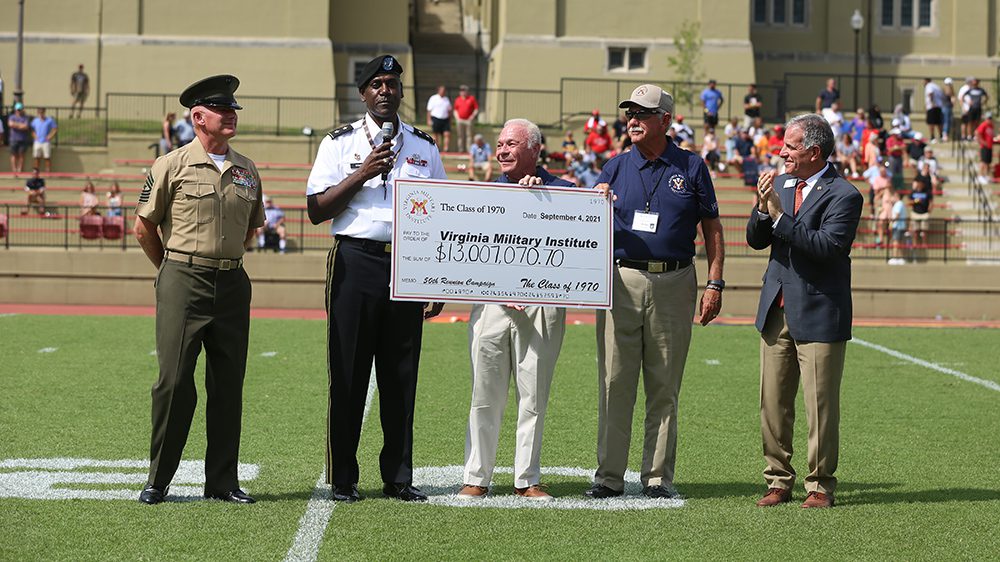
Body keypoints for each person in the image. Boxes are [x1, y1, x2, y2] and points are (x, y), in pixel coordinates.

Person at [306, 55, 446, 504]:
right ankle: (342, 477)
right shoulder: (339, 143)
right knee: (347, 372)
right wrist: (362, 172)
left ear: (402, 92)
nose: (386, 90)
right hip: (355, 261)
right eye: (377, 84)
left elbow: (442, 214)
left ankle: (399, 477)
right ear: (363, 93)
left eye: (393, 83)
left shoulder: (424, 146)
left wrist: (435, 279)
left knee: (401, 375)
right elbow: (316, 210)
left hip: (408, 265)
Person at [586, 84, 725, 500]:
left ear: (665, 120)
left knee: (664, 384)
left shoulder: (692, 166)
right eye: (630, 112)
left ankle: (656, 477)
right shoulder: (612, 167)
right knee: (614, 382)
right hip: (621, 280)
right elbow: (586, 228)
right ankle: (609, 477)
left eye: (643, 113)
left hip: (674, 280)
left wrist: (715, 281)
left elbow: (712, 229)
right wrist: (594, 204)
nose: (633, 120)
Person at [133, 74, 264, 506]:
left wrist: (222, 262)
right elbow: (144, 228)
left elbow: (250, 230)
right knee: (173, 384)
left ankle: (222, 482)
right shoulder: (170, 164)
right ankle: (158, 479)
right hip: (182, 279)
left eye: (233, 109)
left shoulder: (247, 169)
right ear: (198, 117)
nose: (231, 115)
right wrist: (172, 270)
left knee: (228, 385)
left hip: (232, 282)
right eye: (222, 110)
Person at [748, 113, 864, 509]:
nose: (781, 152)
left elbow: (827, 248)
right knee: (773, 403)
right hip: (776, 309)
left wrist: (779, 215)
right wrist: (764, 212)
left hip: (818, 311)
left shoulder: (844, 194)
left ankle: (820, 486)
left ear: (814, 152)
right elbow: (755, 240)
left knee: (820, 406)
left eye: (790, 146)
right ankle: (777, 480)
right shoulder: (779, 183)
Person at [458, 118, 575, 502]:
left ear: (534, 150)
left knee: (534, 395)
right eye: (500, 144)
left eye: (511, 144)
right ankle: (477, 475)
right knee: (484, 393)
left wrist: (545, 200)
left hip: (541, 306)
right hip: (492, 304)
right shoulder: (488, 193)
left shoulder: (564, 192)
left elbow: (579, 238)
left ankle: (527, 477)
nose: (502, 150)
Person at [453, 85, 479, 156]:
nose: (463, 92)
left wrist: (472, 116)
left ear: (467, 91)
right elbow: (455, 110)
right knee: (460, 136)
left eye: (464, 90)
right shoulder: (457, 99)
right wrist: (457, 117)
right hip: (460, 120)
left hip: (468, 120)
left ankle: (469, 150)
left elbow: (476, 109)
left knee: (469, 136)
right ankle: (460, 150)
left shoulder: (471, 98)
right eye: (461, 91)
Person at [426, 84, 452, 152]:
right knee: (436, 134)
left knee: (447, 134)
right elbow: (429, 110)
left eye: (444, 90)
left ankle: (446, 148)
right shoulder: (433, 98)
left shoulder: (446, 99)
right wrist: (428, 120)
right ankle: (437, 148)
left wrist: (450, 120)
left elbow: (449, 110)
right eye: (442, 90)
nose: (443, 91)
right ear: (439, 91)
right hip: (436, 118)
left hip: (445, 119)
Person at [909, 173, 933, 245]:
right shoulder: (913, 192)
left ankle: (924, 243)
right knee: (915, 230)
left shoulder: (927, 192)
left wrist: (929, 208)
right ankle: (915, 243)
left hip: (924, 214)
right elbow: (909, 202)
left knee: (924, 230)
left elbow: (931, 202)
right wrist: (915, 201)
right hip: (915, 213)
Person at [31, 107, 57, 173]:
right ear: (37, 113)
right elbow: (31, 129)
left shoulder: (49, 120)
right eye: (39, 112)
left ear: (44, 112)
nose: (41, 114)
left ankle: (47, 172)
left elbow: (55, 129)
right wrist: (34, 136)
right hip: (37, 142)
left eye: (42, 112)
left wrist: (50, 136)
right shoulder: (35, 121)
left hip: (46, 142)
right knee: (36, 157)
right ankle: (36, 171)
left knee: (47, 157)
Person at [7, 101, 30, 174]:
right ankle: (14, 169)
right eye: (17, 109)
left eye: (20, 109)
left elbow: (25, 126)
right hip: (13, 139)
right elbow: (10, 124)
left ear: (22, 109)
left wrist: (15, 125)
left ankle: (20, 170)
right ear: (15, 110)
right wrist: (20, 125)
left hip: (23, 139)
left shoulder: (25, 117)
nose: (18, 111)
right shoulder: (12, 117)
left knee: (21, 155)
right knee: (13, 154)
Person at [974, 112, 997, 183]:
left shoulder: (991, 126)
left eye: (990, 118)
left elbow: (991, 136)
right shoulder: (983, 125)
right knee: (983, 162)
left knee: (988, 162)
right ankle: (980, 176)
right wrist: (983, 142)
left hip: (990, 147)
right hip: (984, 146)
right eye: (988, 118)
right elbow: (977, 133)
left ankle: (985, 176)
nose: (989, 119)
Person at [888, 190, 908, 265]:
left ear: (897, 196)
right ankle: (899, 257)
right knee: (899, 242)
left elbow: (897, 215)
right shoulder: (900, 204)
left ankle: (895, 257)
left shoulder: (899, 204)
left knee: (896, 242)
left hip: (898, 226)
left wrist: (891, 223)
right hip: (900, 226)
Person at [923, 78, 945, 143]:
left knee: (931, 123)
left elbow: (930, 93)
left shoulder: (929, 86)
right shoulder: (936, 86)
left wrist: (932, 103)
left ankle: (932, 137)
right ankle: (941, 137)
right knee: (939, 123)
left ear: (926, 81)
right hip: (939, 106)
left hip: (932, 107)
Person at [941, 77, 955, 142]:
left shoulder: (944, 88)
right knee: (946, 121)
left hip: (946, 107)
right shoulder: (947, 89)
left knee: (947, 121)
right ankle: (945, 135)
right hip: (946, 107)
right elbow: (951, 97)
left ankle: (945, 135)